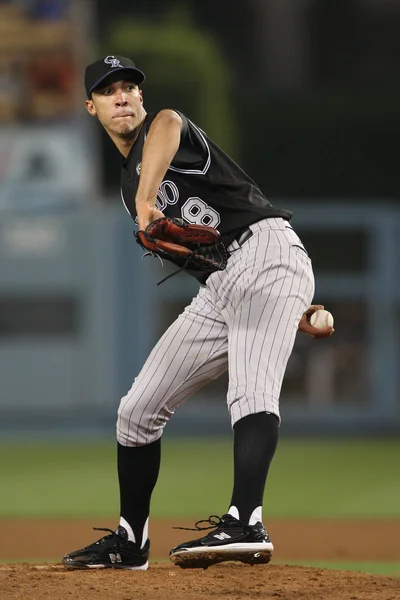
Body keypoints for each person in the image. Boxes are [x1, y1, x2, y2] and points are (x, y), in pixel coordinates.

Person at [62, 55, 333, 571]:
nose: (122, 96)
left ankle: (246, 521)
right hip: (226, 282)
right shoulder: (126, 186)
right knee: (137, 411)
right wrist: (284, 301)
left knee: (250, 392)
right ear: (90, 107)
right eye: (108, 91)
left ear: (141, 98)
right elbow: (200, 258)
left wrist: (147, 203)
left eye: (129, 88)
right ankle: (129, 539)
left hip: (264, 250)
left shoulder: (162, 133)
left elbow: (169, 122)